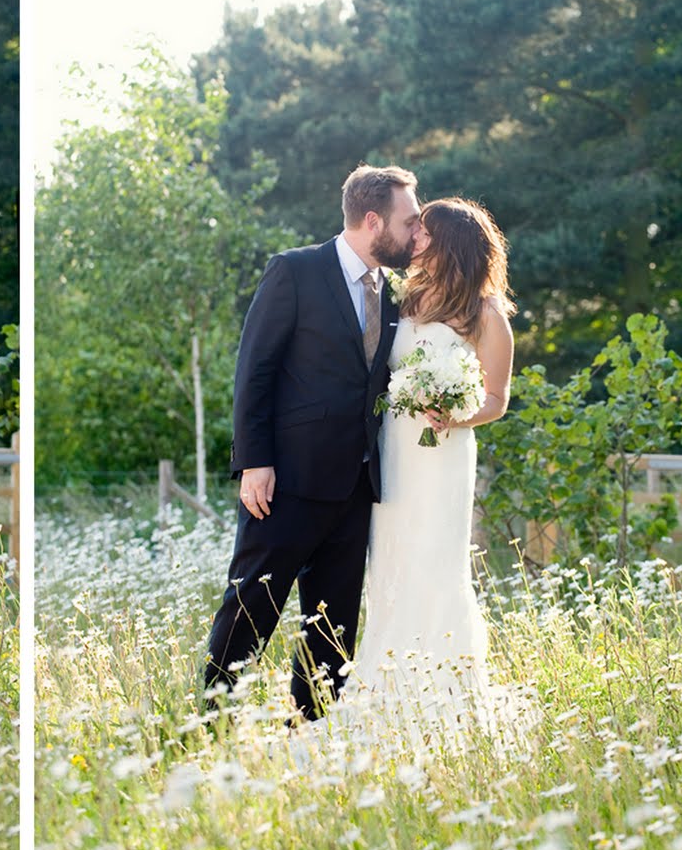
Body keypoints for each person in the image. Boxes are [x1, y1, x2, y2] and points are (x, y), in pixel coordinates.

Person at [203, 164, 420, 725]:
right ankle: (207, 726)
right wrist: (254, 461)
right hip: (287, 480)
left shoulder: (392, 294)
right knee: (253, 605)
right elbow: (255, 370)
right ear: (373, 221)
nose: (416, 231)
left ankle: (311, 734)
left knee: (334, 623)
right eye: (409, 220)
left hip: (356, 483)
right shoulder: (295, 271)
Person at [324, 196, 532, 751]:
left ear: (451, 243)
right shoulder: (408, 298)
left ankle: (446, 701)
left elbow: (498, 399)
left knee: (434, 564)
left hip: (443, 452)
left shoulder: (486, 314)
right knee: (391, 561)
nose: (413, 238)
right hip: (396, 450)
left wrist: (457, 412)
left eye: (424, 232)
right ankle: (386, 694)